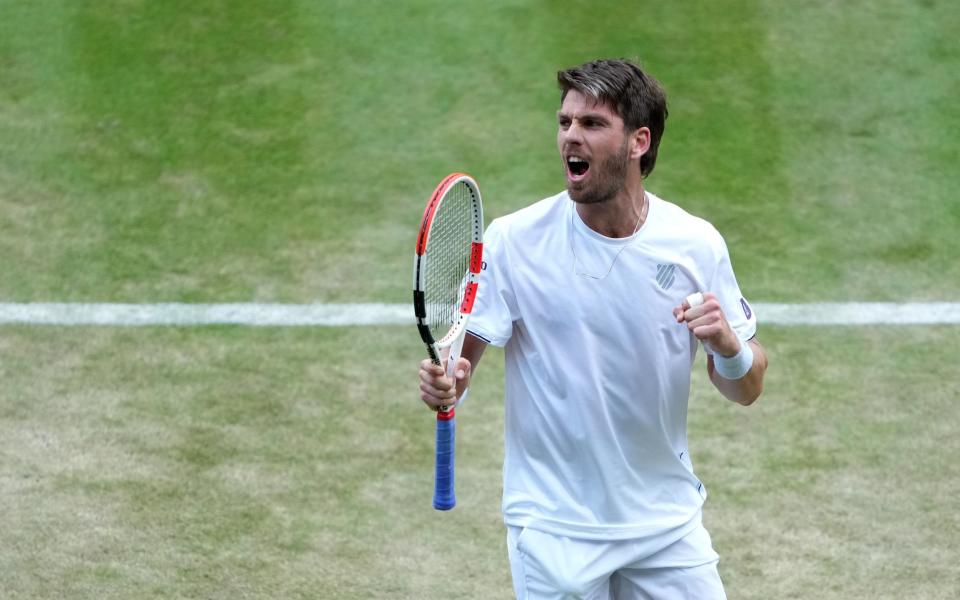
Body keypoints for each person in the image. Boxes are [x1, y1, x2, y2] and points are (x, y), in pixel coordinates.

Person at [418, 58, 768, 599]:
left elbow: (747, 388)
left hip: (664, 524)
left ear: (638, 141)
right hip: (556, 528)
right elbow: (458, 366)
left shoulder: (696, 244)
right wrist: (446, 383)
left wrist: (727, 346)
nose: (570, 138)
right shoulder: (514, 241)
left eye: (592, 124)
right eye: (565, 123)